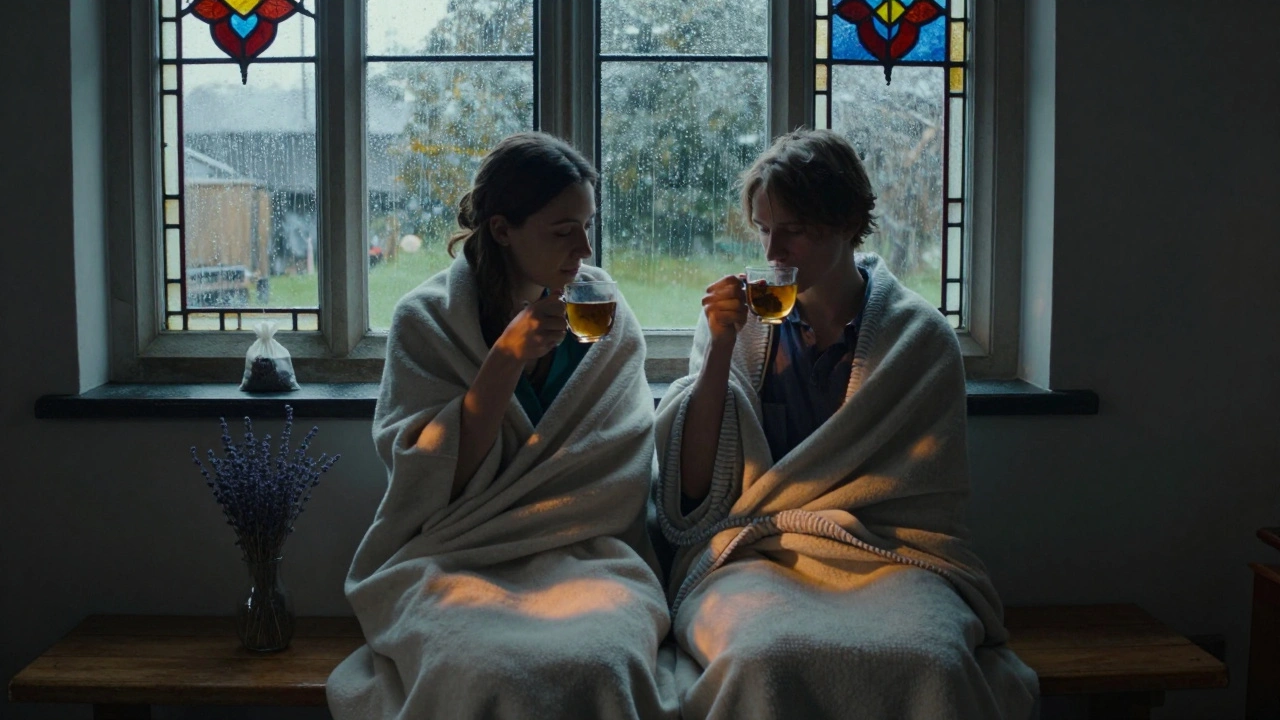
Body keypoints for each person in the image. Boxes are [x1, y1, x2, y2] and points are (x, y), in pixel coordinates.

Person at [654, 128, 1040, 719]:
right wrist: (719, 353)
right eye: (763, 229)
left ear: (845, 222)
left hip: (889, 554)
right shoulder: (739, 326)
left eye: (795, 231)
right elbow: (695, 490)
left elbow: (926, 505)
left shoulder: (918, 339)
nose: (773, 251)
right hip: (758, 551)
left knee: (932, 658)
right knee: (763, 654)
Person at [328, 132, 677, 720]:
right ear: (501, 229)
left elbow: (621, 459)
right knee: (473, 665)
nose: (584, 247)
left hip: (589, 552)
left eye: (587, 225)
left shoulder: (602, 313)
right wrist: (504, 361)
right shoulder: (428, 321)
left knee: (600, 659)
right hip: (459, 553)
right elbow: (432, 480)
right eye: (563, 230)